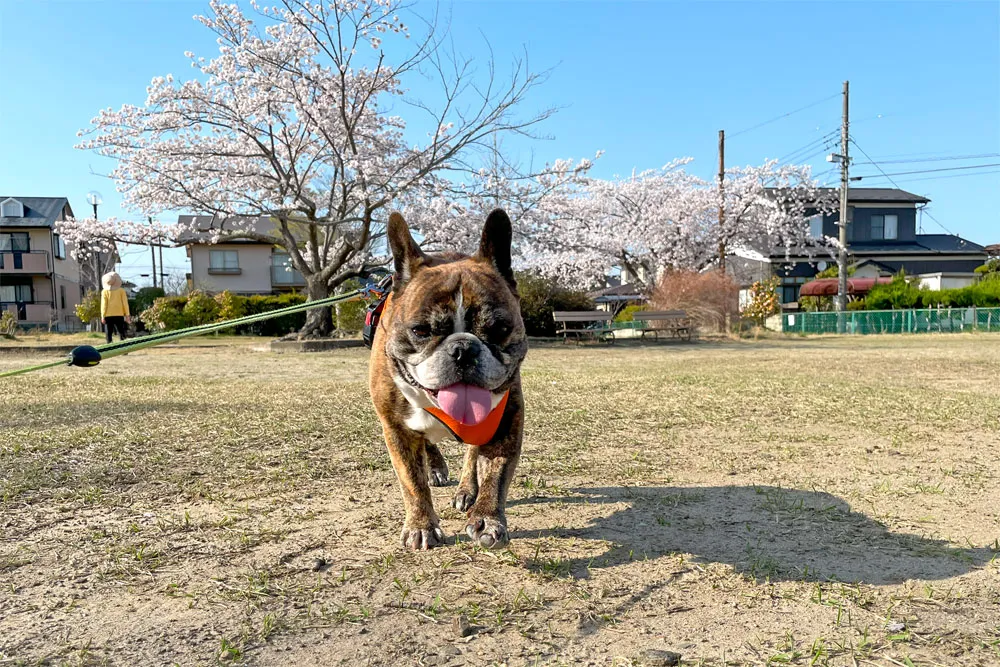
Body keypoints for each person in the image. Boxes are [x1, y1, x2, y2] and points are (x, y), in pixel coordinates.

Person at [100, 271, 130, 343]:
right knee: (121, 332)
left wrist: (103, 316)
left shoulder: (104, 291)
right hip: (119, 314)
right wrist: (127, 314)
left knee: (109, 334)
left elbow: (104, 304)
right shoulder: (121, 291)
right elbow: (125, 303)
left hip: (108, 315)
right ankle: (124, 349)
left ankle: (109, 349)